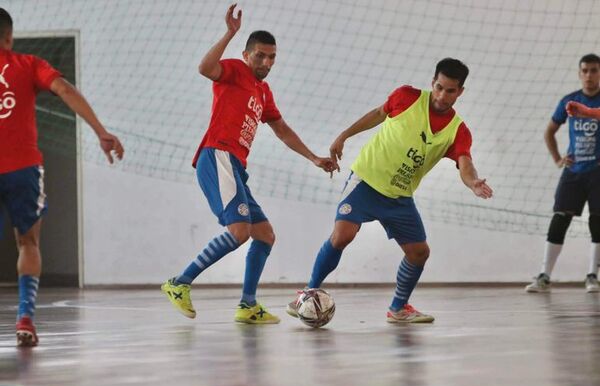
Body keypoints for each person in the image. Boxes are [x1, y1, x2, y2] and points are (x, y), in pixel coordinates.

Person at [161, 4, 335, 324]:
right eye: (260, 56)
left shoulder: (264, 92)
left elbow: (281, 129)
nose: (266, 63)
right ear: (246, 54)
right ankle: (178, 283)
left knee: (264, 234)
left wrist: (313, 158)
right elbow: (204, 67)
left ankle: (248, 305)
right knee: (239, 231)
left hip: (236, 167)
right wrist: (230, 32)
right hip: (218, 156)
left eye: (272, 58)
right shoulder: (234, 71)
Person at [287, 58, 493, 323]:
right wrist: (343, 135)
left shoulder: (458, 131)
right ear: (433, 83)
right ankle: (308, 293)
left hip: (399, 197)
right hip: (366, 182)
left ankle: (398, 308)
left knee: (420, 252)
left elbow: (465, 163)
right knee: (342, 236)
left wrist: (473, 182)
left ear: (460, 92)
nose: (442, 95)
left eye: (450, 90)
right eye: (439, 87)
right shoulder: (406, 97)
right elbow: (377, 114)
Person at [0, 8, 124, 347]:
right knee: (28, 243)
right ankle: (25, 318)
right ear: (9, 36)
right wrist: (101, 131)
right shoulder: (27, 64)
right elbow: (65, 90)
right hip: (23, 168)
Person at [525, 54, 600, 293]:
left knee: (597, 221)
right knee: (559, 219)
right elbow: (549, 132)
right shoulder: (569, 101)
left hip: (597, 172)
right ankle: (544, 275)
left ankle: (592, 276)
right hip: (574, 171)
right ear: (579, 74)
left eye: (594, 70)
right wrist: (558, 159)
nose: (589, 75)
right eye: (585, 70)